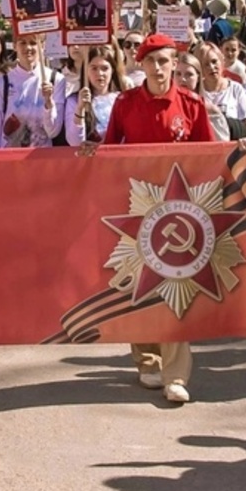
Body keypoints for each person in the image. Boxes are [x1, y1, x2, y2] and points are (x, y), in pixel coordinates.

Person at [95, 33, 219, 404]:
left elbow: (210, 155)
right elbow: (108, 150)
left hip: (179, 211)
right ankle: (147, 359)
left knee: (176, 287)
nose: (158, 68)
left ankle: (176, 374)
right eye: (151, 61)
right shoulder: (125, 103)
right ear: (141, 64)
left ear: (174, 64)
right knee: (139, 285)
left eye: (164, 61)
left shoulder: (192, 105)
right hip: (136, 209)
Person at [0, 32, 58, 149]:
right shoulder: (1, 82)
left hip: (41, 156)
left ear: (42, 46)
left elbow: (53, 131)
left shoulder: (56, 80)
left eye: (33, 43)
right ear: (14, 45)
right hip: (10, 155)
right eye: (22, 43)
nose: (28, 48)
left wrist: (48, 103)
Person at [64, 46, 123, 146]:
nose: (100, 73)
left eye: (104, 68)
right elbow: (74, 142)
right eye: (94, 68)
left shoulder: (122, 99)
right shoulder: (74, 100)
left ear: (112, 70)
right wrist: (80, 109)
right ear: (86, 71)